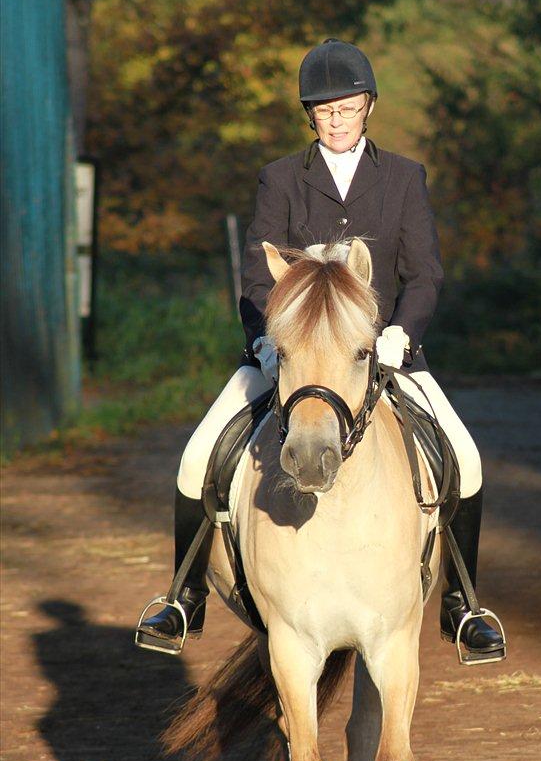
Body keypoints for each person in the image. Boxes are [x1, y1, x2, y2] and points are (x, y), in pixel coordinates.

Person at [136, 38, 504, 662]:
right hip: (292, 356)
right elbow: (258, 276)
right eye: (325, 109)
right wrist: (266, 342)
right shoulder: (280, 178)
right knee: (196, 457)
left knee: (464, 460)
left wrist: (399, 335)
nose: (337, 119)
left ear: (368, 107)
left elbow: (425, 275)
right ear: (310, 115)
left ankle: (460, 607)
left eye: (348, 107)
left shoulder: (403, 178)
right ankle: (184, 599)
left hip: (380, 354)